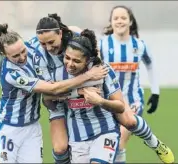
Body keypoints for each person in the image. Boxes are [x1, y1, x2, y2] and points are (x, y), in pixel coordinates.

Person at [32, 13, 174, 164]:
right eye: (43, 44)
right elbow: (50, 93)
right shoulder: (39, 56)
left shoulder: (75, 38)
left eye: (51, 42)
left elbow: (93, 50)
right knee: (60, 148)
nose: (48, 47)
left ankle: (155, 143)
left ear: (60, 33)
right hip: (60, 97)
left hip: (80, 95)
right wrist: (83, 82)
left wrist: (95, 65)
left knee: (129, 121)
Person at [0, 23, 108, 163]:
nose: (22, 57)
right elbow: (52, 90)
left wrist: (93, 49)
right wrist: (88, 77)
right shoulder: (12, 73)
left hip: (32, 127)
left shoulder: (32, 44)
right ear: (4, 54)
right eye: (15, 55)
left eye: (22, 51)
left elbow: (70, 28)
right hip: (8, 128)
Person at [99, 5, 174, 163]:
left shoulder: (139, 45)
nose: (120, 21)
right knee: (110, 146)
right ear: (111, 22)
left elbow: (151, 64)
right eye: (116, 18)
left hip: (132, 101)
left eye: (123, 18)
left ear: (130, 21)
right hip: (109, 102)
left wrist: (155, 93)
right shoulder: (102, 45)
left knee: (119, 143)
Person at [44, 28, 125, 163]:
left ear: (87, 60)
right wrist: (61, 95)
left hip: (105, 132)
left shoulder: (103, 70)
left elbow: (120, 106)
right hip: (77, 139)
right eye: (67, 58)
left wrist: (100, 101)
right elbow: (48, 102)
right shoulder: (58, 74)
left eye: (76, 61)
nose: (70, 64)